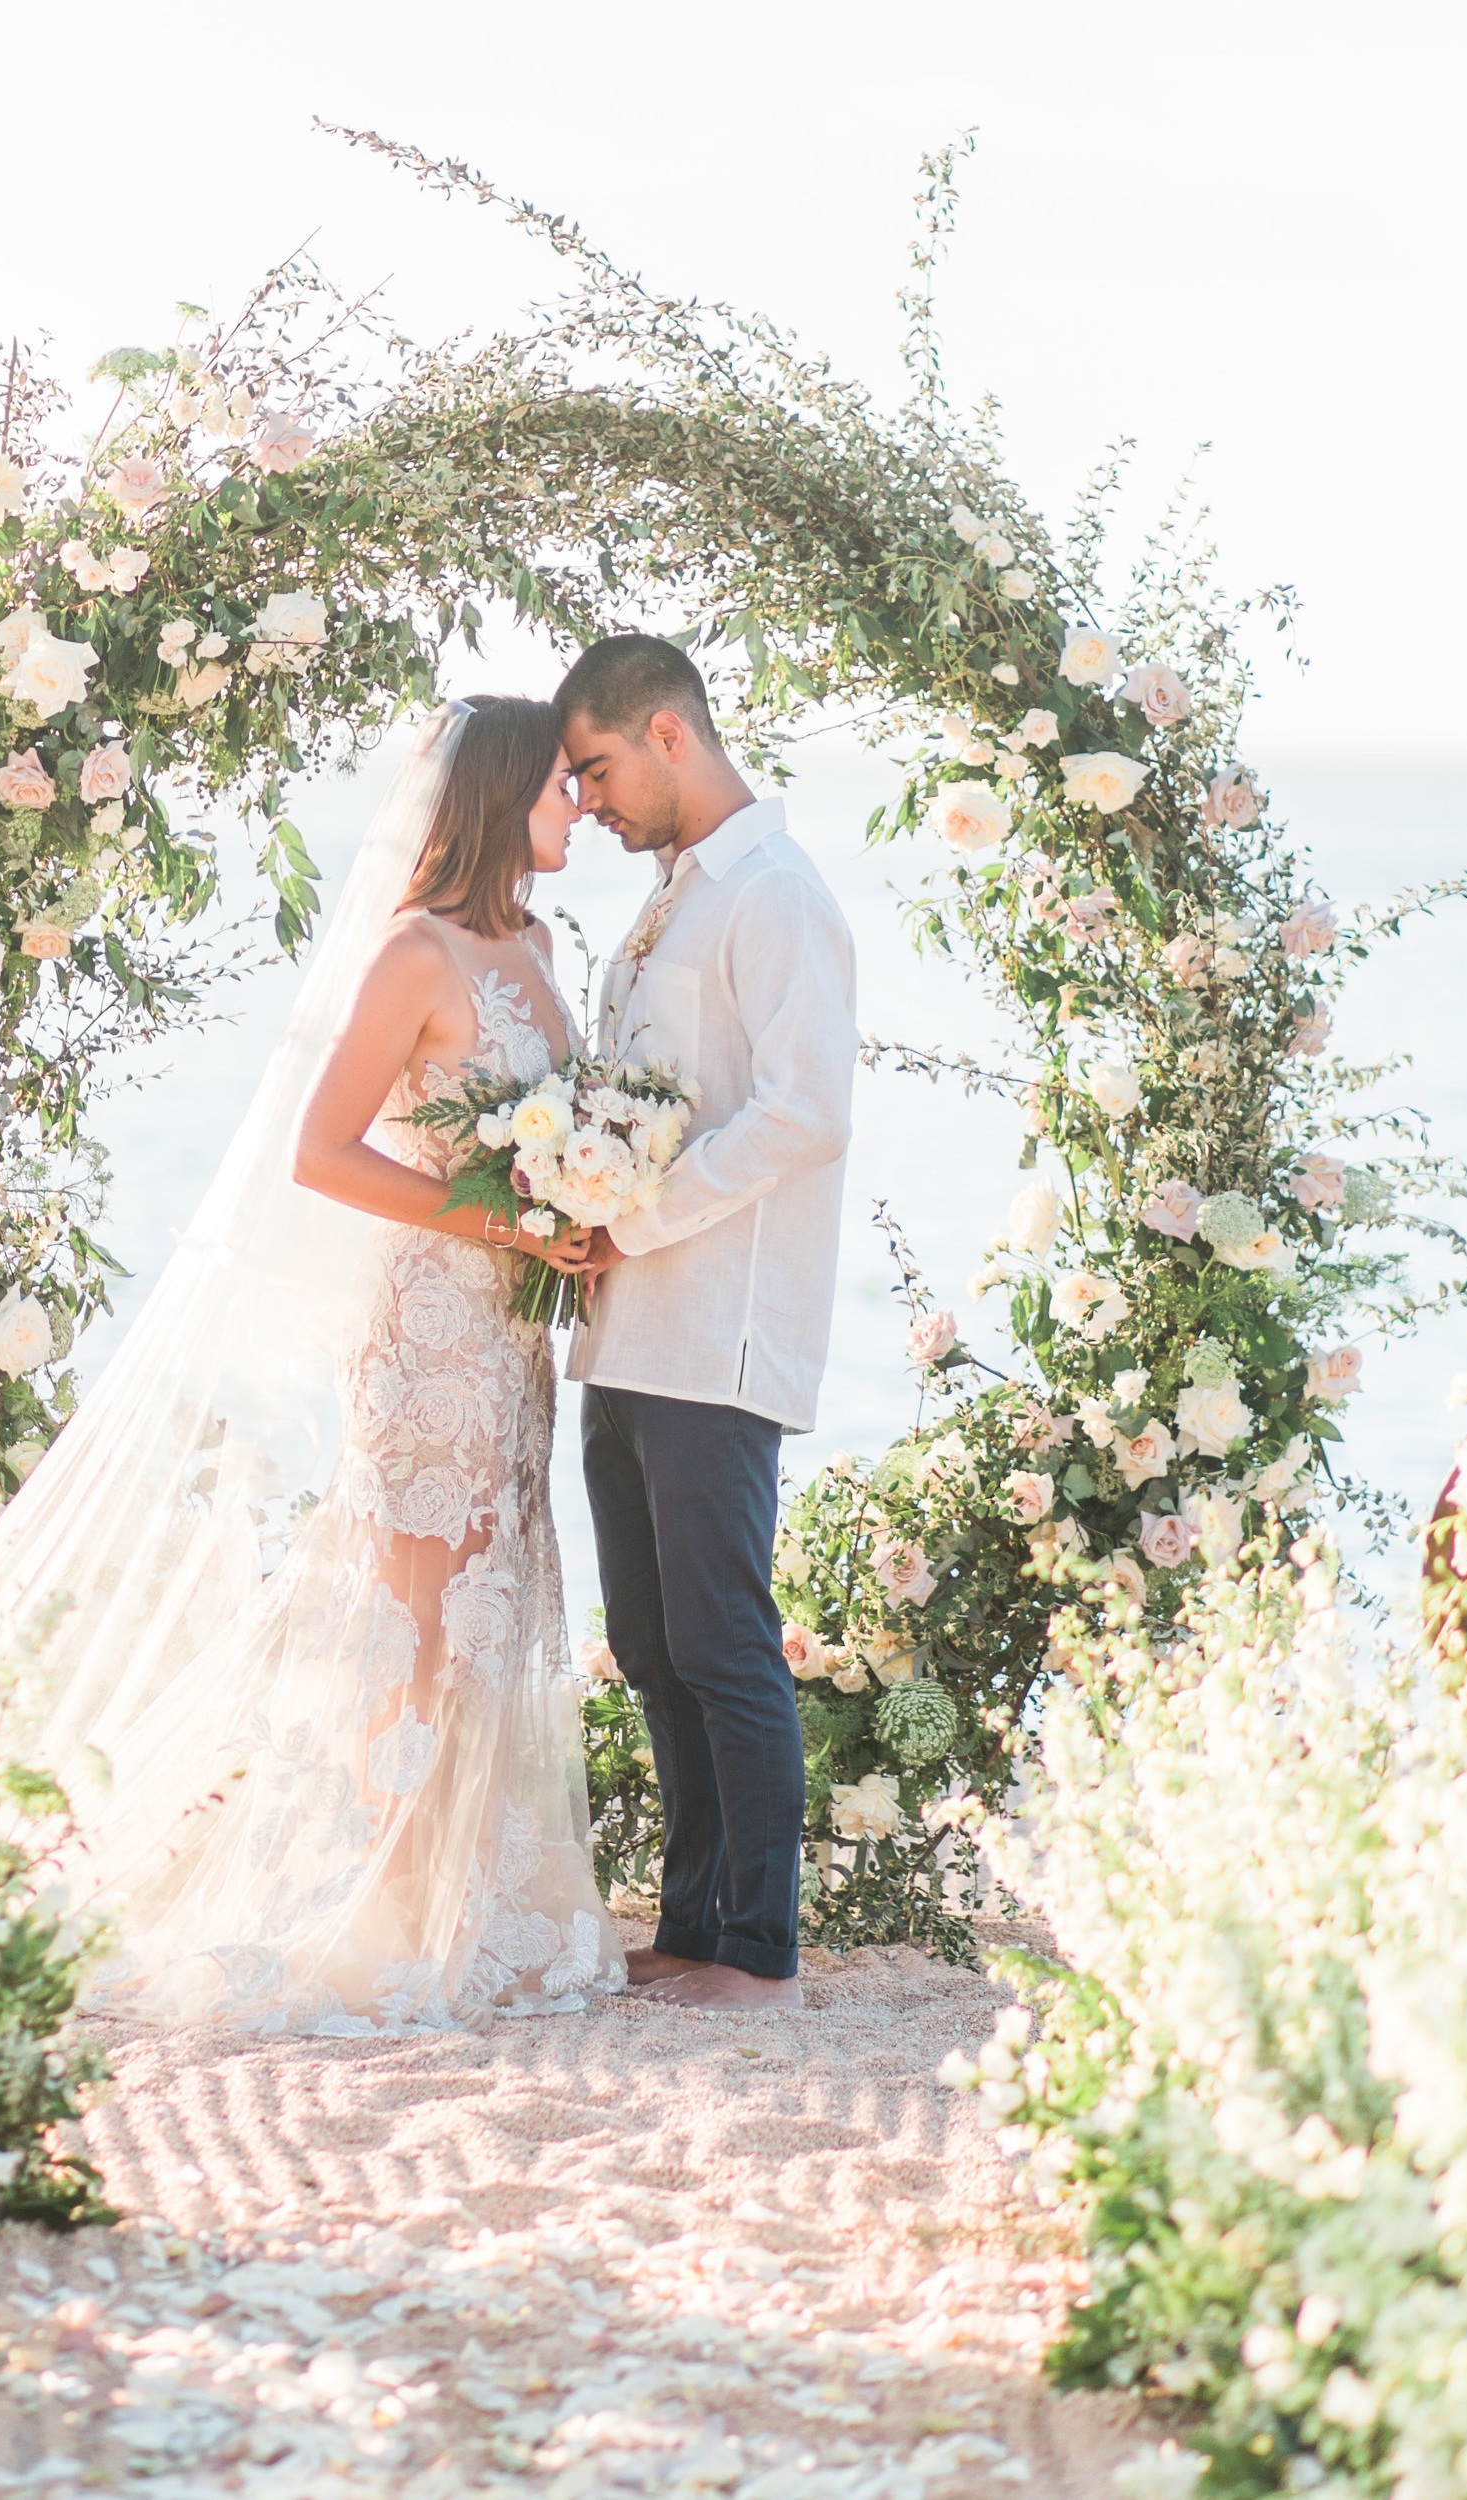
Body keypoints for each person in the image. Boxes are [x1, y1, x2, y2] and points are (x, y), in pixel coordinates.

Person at [0, 698, 622, 2036]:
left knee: (491, 1604)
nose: (577, 806)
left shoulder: (533, 944)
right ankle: (389, 1909)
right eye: (557, 788)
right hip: (426, 1330)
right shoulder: (413, 955)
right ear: (498, 796)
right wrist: (497, 1218)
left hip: (512, 1335)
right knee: (412, 1626)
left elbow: (547, 1132)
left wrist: (578, 1205)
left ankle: (459, 1894)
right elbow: (324, 1151)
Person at [557, 635, 860, 2011]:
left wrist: (638, 1218)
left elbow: (803, 1111)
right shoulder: (673, 898)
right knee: (648, 1637)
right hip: (626, 1329)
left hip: (717, 1328)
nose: (591, 801)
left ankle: (761, 1948)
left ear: (669, 734)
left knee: (726, 1643)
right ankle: (691, 1922)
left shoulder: (776, 898)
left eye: (599, 769)